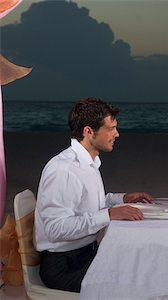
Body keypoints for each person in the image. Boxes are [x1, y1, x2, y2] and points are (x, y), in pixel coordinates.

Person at [34, 98, 152, 292]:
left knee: (143, 263)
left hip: (85, 254)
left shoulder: (88, 162)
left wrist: (122, 199)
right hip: (64, 267)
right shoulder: (63, 170)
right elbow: (55, 229)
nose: (117, 134)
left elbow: (85, 203)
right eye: (111, 128)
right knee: (137, 281)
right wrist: (109, 215)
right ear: (88, 131)